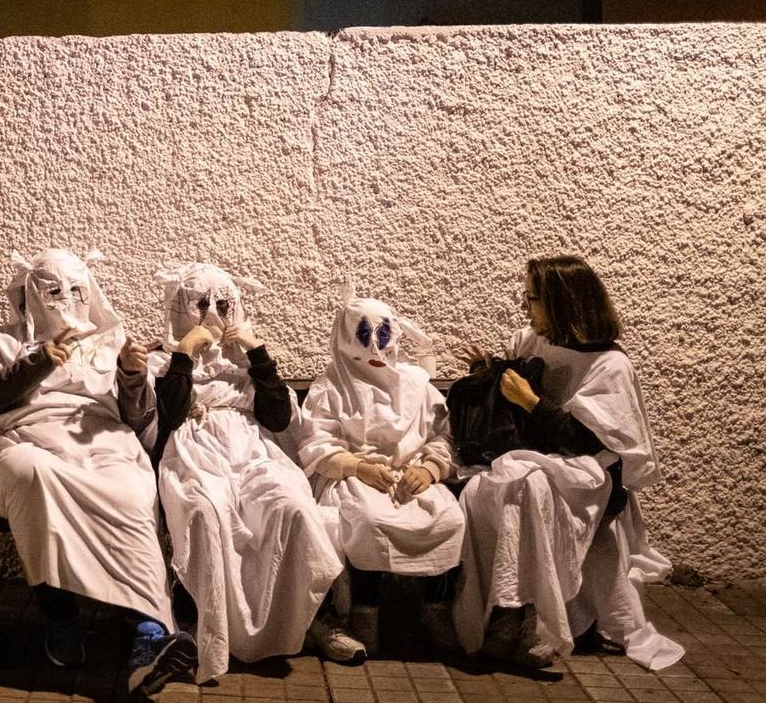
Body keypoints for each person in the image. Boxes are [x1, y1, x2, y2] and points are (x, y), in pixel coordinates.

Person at [0, 248, 197, 699]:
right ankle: (59, 616)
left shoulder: (109, 344)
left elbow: (141, 423)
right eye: (54, 291)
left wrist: (132, 376)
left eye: (77, 290)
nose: (66, 300)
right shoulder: (1, 342)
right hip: (24, 442)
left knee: (131, 489)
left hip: (102, 446)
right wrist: (40, 361)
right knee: (35, 476)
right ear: (31, 295)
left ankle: (148, 632)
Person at [452, 255, 684, 670]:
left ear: (562, 303)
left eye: (533, 299)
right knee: (490, 488)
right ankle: (507, 607)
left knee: (529, 486)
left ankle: (534, 620)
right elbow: (511, 410)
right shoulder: (532, 341)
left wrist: (532, 402)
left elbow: (596, 442)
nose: (526, 309)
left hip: (587, 470)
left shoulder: (609, 365)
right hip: (531, 457)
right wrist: (488, 375)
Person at [147, 263, 344, 681]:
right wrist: (183, 354)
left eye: (222, 305)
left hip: (253, 450)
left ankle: (301, 625)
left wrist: (257, 353)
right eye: (201, 306)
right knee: (206, 511)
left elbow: (276, 419)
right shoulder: (162, 361)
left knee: (291, 508)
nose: (214, 316)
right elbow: (165, 416)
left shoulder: (246, 364)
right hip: (195, 450)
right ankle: (209, 629)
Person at [297, 288, 465, 660]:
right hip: (354, 475)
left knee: (449, 517)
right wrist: (356, 466)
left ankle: (436, 609)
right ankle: (365, 611)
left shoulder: (415, 384)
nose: (374, 348)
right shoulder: (332, 385)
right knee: (369, 520)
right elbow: (316, 443)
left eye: (383, 335)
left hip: (410, 474)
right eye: (363, 336)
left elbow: (442, 435)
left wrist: (431, 467)